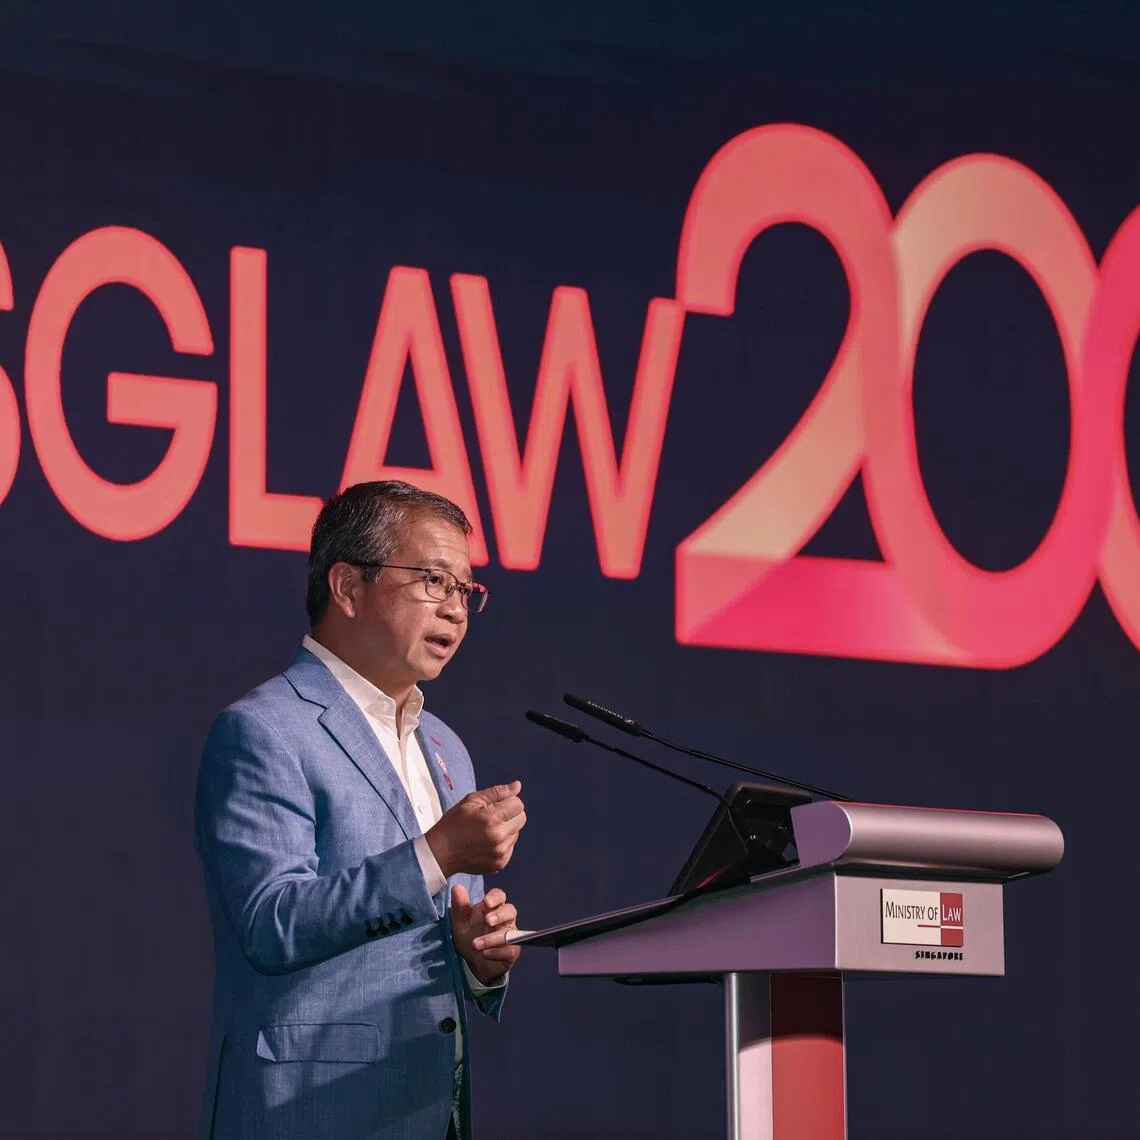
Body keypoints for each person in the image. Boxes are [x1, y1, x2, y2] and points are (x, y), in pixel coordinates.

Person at [194, 480, 526, 1139]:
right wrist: (438, 854)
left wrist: (476, 961)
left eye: (465, 590)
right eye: (434, 580)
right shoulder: (265, 730)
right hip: (312, 1112)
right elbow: (272, 923)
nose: (455, 610)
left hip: (429, 1111)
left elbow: (430, 920)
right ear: (347, 587)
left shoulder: (445, 748)